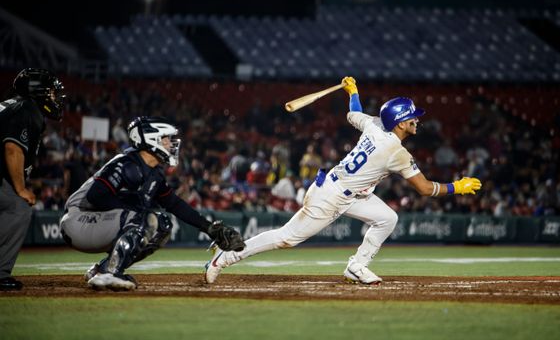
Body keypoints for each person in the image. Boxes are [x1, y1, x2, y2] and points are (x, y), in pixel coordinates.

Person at [205, 77, 482, 285]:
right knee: (286, 238)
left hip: (350, 192)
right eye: (412, 117)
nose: (416, 121)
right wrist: (456, 187)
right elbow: (423, 188)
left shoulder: (374, 124)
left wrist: (353, 93)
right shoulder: (396, 151)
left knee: (387, 218)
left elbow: (352, 114)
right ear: (400, 123)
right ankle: (226, 256)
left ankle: (357, 266)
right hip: (331, 195)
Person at [60, 116, 245, 291]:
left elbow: (174, 204)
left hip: (97, 223)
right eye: (165, 138)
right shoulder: (125, 163)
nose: (171, 143)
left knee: (162, 224)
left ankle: (102, 270)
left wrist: (209, 228)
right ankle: (110, 273)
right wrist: (134, 207)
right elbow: (95, 196)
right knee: (143, 217)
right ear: (151, 139)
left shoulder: (153, 173)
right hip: (78, 220)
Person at [0, 68, 65, 290]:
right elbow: (12, 148)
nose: (54, 98)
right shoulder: (28, 108)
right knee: (19, 206)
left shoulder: (10, 104)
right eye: (51, 92)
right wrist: (20, 188)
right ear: (38, 91)